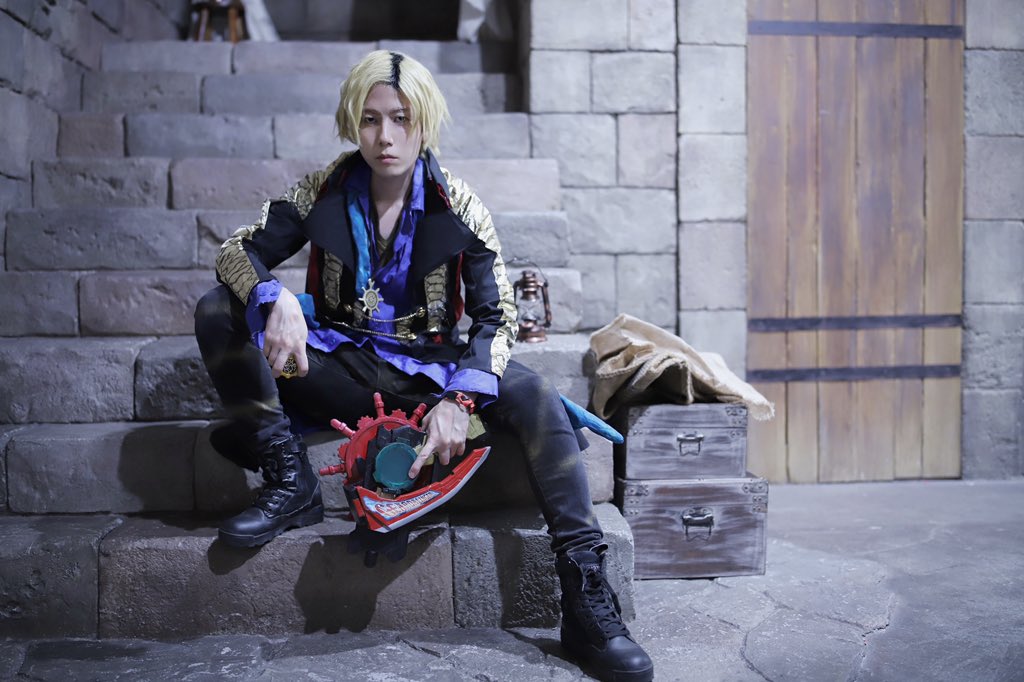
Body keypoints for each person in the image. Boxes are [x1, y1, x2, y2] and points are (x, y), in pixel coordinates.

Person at [194, 49, 653, 682]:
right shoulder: (321, 191)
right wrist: (276, 299)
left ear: (424, 122)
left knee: (534, 394)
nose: (385, 137)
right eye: (371, 118)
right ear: (353, 122)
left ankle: (584, 593)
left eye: (401, 118)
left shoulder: (459, 205)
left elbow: (497, 319)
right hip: (340, 366)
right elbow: (235, 251)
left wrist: (459, 402)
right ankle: (290, 478)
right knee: (218, 309)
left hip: (429, 376)